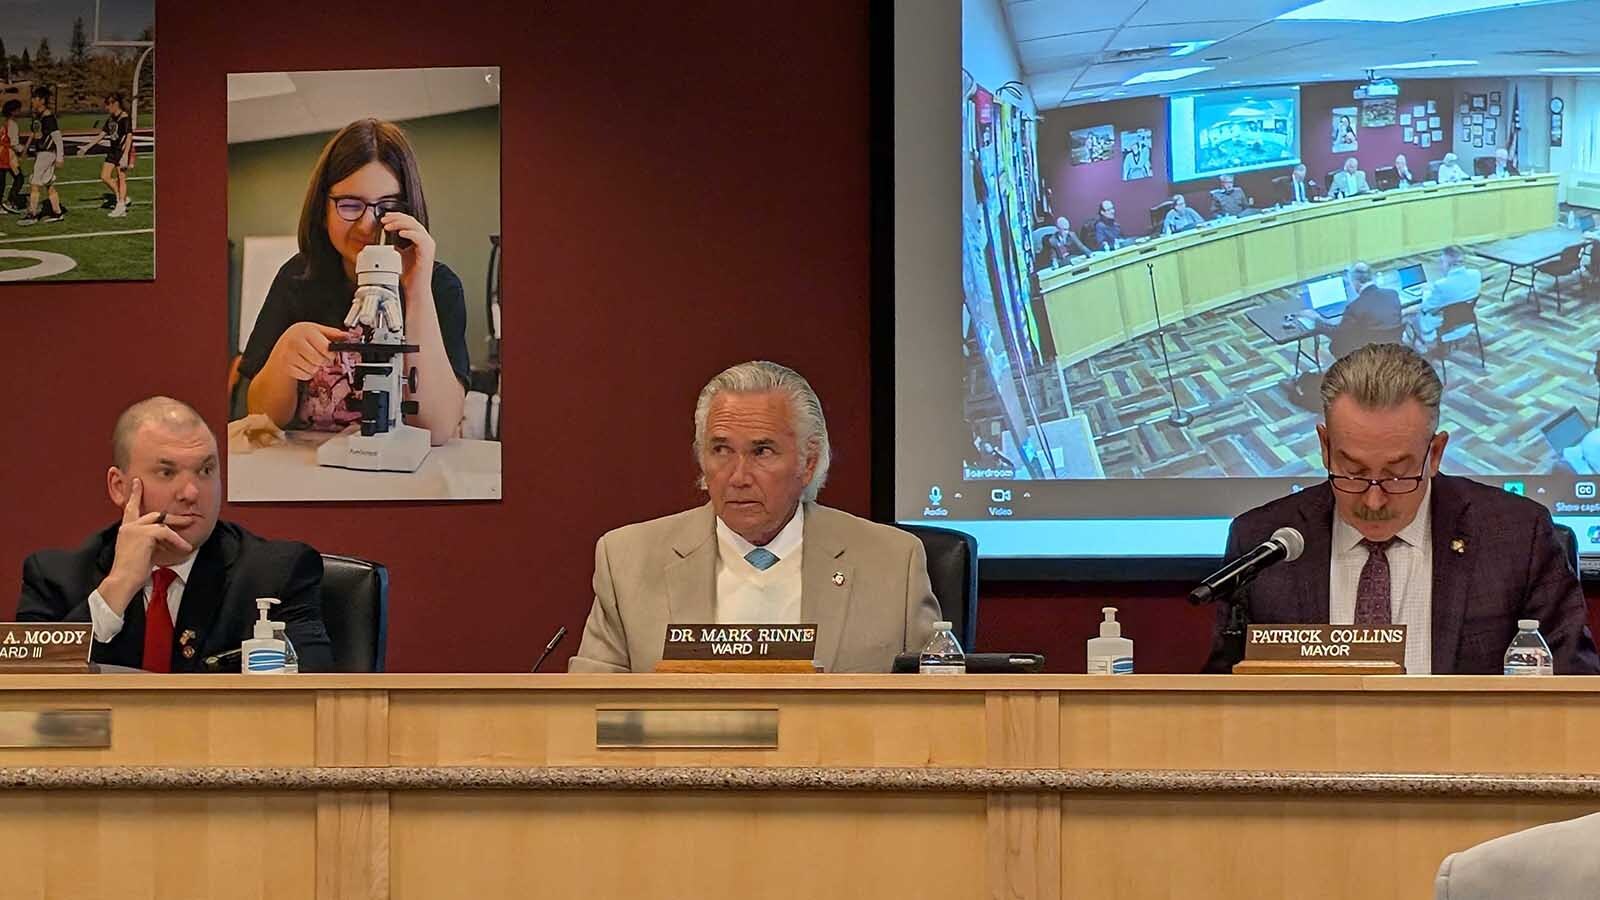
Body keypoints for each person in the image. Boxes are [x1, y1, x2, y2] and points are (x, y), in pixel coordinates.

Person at [1204, 343, 1600, 675]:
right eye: (1353, 473)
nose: (1373, 501)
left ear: (1436, 453)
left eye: (1397, 475)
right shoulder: (1263, 543)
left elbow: (1573, 690)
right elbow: (1224, 701)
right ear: (1324, 447)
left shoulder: (1515, 537)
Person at [569, 361, 942, 673]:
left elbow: (938, 711)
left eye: (762, 451)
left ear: (808, 463)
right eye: (721, 450)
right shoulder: (627, 559)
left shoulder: (893, 562)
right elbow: (590, 713)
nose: (738, 477)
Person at [17, 398, 334, 672]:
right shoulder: (55, 578)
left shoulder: (277, 575)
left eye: (205, 470)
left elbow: (312, 700)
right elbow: (25, 697)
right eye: (167, 473)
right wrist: (116, 589)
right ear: (119, 486)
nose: (191, 492)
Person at [240, 118, 468, 445]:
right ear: (323, 208)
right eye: (350, 205)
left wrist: (417, 291)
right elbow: (260, 419)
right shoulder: (296, 278)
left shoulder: (440, 285)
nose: (367, 225)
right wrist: (284, 355)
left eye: (387, 206)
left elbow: (438, 428)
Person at [1327, 262, 1402, 360]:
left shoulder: (1354, 307)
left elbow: (1340, 335)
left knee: (1335, 346)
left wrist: (1318, 321)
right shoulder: (1392, 294)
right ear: (1372, 277)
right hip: (1393, 352)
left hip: (1368, 356)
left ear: (1355, 282)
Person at [76, 92, 134, 218]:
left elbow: (129, 137)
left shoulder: (125, 117)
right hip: (113, 151)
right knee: (104, 176)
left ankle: (121, 206)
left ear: (115, 104)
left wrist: (125, 155)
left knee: (121, 178)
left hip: (122, 151)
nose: (106, 108)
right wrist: (86, 148)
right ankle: (122, 198)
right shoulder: (111, 119)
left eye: (108, 105)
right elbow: (101, 135)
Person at [1415, 245, 1482, 345]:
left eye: (1441, 262)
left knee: (1412, 315)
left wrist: (1426, 293)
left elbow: (1426, 308)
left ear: (1447, 263)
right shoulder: (1476, 274)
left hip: (1445, 328)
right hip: (1467, 323)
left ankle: (1421, 347)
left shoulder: (1441, 285)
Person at [18, 86, 65, 226]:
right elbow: (33, 133)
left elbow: (57, 137)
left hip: (47, 153)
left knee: (34, 183)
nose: (32, 101)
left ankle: (32, 214)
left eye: (35, 98)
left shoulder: (48, 117)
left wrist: (60, 157)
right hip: (42, 153)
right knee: (48, 184)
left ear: (42, 100)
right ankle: (57, 213)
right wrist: (25, 149)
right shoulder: (37, 116)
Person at [0, 99, 22, 214]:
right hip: (7, 155)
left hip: (2, 152)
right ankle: (10, 202)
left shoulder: (6, 122)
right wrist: (23, 150)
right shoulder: (13, 124)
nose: (20, 112)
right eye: (18, 110)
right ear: (13, 111)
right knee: (19, 178)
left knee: (1, 180)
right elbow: (14, 144)